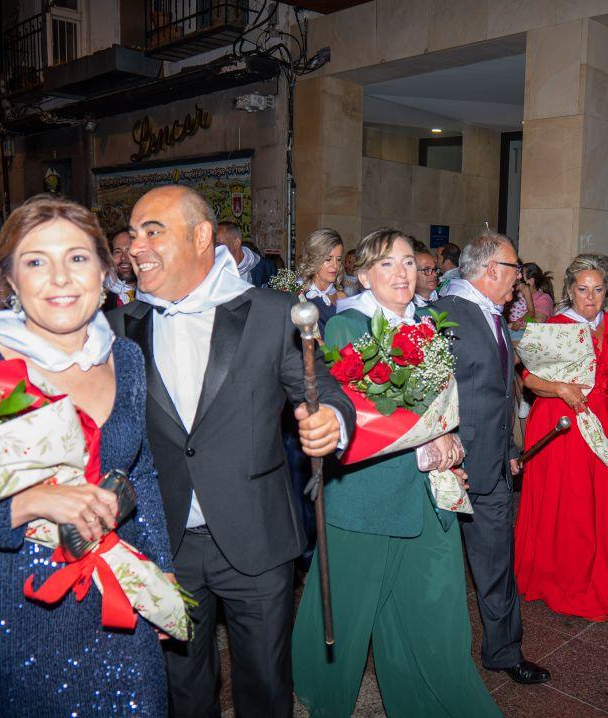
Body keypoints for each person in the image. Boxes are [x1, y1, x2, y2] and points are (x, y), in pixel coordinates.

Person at [0, 198, 178, 716]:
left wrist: (161, 571)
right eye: (36, 261)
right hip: (14, 621)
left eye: (77, 258)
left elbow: (140, 471)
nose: (60, 278)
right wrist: (28, 504)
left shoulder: (126, 358)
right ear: (9, 278)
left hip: (121, 608)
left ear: (105, 270)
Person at [108, 185, 353, 717]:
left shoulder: (273, 313)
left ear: (201, 237)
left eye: (153, 232)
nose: (135, 247)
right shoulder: (120, 327)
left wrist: (331, 422)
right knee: (183, 691)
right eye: (133, 234)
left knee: (265, 685)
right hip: (164, 543)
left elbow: (325, 392)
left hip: (256, 534)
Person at [292, 229, 498, 718]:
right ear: (363, 275)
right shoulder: (347, 328)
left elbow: (443, 405)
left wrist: (450, 447)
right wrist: (429, 442)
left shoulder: (429, 323)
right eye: (386, 263)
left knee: (436, 611)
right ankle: (323, 698)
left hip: (428, 496)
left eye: (408, 262)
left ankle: (441, 702)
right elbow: (359, 413)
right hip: (366, 497)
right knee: (346, 613)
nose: (402, 272)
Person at [435, 232, 551, 685]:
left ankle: (503, 651)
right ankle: (435, 659)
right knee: (437, 573)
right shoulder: (445, 315)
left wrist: (509, 453)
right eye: (514, 269)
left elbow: (499, 394)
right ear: (490, 270)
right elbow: (430, 394)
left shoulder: (493, 315)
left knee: (498, 563)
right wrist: (446, 453)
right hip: (451, 467)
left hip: (494, 467)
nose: (518, 279)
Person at [514, 254, 608, 621]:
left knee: (596, 499)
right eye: (583, 289)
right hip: (560, 422)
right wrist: (560, 388)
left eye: (599, 290)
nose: (591, 297)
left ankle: (597, 574)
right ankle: (561, 576)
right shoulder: (556, 326)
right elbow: (528, 377)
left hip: (598, 417)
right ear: (570, 291)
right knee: (569, 499)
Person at [298, 227, 348, 322]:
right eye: (328, 259)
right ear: (313, 259)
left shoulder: (341, 298)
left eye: (339, 259)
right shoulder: (296, 294)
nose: (335, 265)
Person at [215, 221, 274, 287]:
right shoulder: (213, 269)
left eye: (218, 244)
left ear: (236, 243)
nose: (212, 249)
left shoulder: (266, 268)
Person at [509, 262, 554, 326]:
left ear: (530, 281)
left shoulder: (543, 298)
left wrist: (519, 322)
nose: (517, 278)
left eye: (521, 276)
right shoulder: (515, 294)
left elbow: (538, 321)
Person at [102, 227, 137, 310]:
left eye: (129, 250)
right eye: (117, 251)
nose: (123, 258)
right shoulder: (99, 298)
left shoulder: (155, 294)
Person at [412, 242, 440, 307]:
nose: (435, 274)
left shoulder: (448, 301)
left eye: (434, 269)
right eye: (427, 269)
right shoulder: (405, 309)